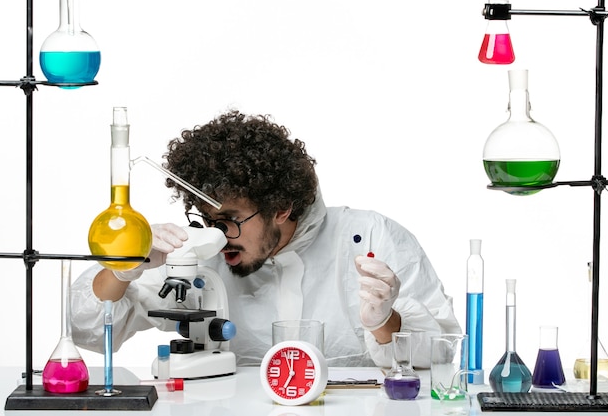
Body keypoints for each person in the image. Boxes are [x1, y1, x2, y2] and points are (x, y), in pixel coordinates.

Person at [71, 110, 461, 368]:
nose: (217, 236)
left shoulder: (370, 236)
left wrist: (384, 321)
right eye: (206, 219)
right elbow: (86, 330)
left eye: (230, 220)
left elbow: (443, 354)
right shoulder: (203, 252)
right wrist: (126, 265)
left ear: (281, 207)